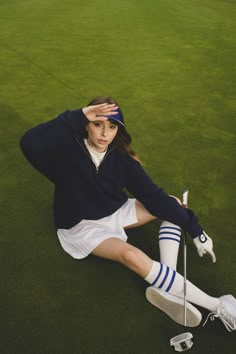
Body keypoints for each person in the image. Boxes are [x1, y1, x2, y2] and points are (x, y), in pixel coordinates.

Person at [20, 96, 236, 332]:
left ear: (118, 130)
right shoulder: (67, 150)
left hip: (114, 210)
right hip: (81, 225)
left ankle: (166, 285)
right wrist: (78, 115)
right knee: (132, 256)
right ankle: (219, 305)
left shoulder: (122, 158)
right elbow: (29, 143)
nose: (105, 134)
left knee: (171, 203)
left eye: (112, 127)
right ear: (87, 124)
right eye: (97, 124)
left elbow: (154, 198)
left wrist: (195, 230)